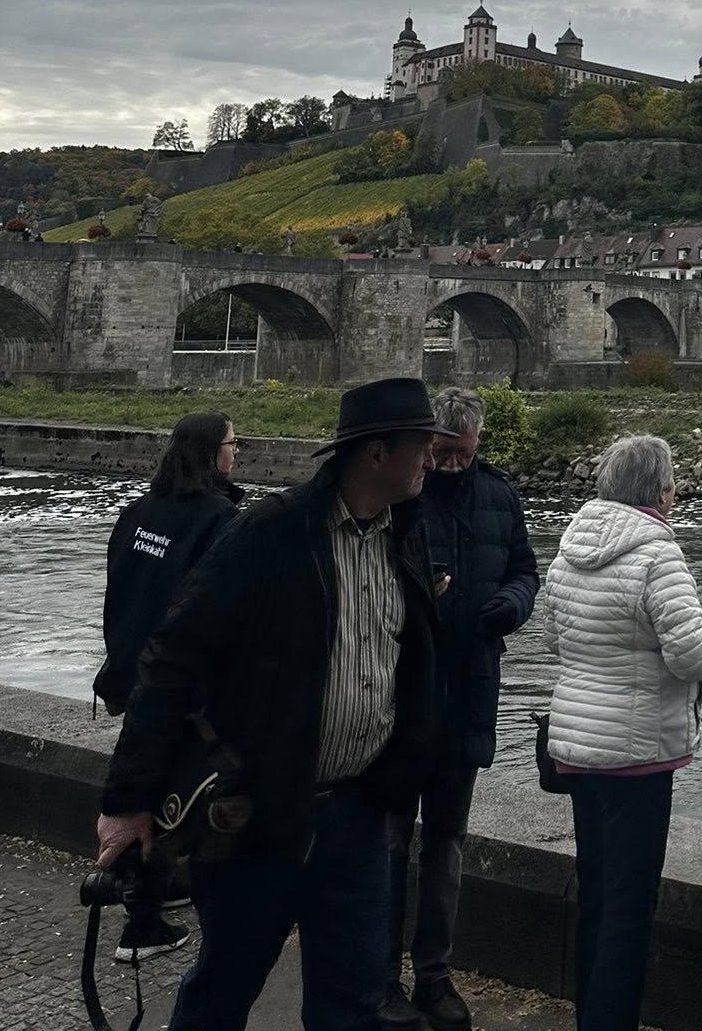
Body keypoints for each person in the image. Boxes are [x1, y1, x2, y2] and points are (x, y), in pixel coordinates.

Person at [93, 377, 441, 1031]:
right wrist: (127, 798)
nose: (432, 458)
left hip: (361, 815)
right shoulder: (270, 533)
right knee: (223, 991)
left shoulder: (406, 532)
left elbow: (414, 660)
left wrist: (407, 766)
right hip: (261, 815)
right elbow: (172, 657)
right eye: (421, 445)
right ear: (376, 453)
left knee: (353, 1005)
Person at [543, 434, 702, 1031]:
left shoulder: (569, 549)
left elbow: (554, 640)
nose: (675, 493)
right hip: (637, 754)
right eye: (671, 483)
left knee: (594, 895)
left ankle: (588, 1017)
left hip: (577, 747)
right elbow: (693, 655)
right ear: (659, 491)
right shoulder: (656, 555)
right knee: (630, 906)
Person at [383, 388, 539, 1031]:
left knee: (446, 842)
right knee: (390, 842)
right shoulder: (399, 498)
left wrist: (512, 605)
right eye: (442, 453)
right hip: (400, 695)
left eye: (463, 454)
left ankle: (434, 975)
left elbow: (525, 571)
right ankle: (381, 974)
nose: (451, 465)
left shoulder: (499, 496)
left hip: (470, 689)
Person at [93, 411, 245, 964]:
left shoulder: (136, 512)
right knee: (175, 790)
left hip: (129, 669)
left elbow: (116, 589)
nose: (237, 453)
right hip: (177, 680)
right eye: (233, 443)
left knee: (146, 780)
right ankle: (141, 923)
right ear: (212, 453)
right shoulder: (219, 518)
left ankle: (149, 894)